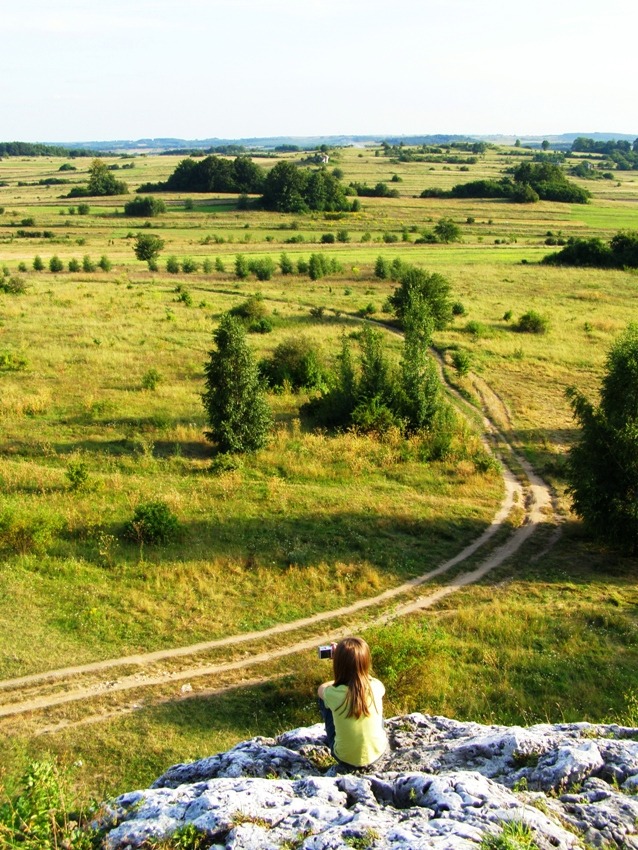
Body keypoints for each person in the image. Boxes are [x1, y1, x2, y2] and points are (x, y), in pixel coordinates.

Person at [317, 636, 387, 769]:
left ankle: (339, 735)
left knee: (324, 700)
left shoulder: (333, 694)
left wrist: (338, 660)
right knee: (376, 708)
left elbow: (321, 689)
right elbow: (364, 679)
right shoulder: (377, 686)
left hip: (344, 758)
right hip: (377, 754)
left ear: (338, 664)